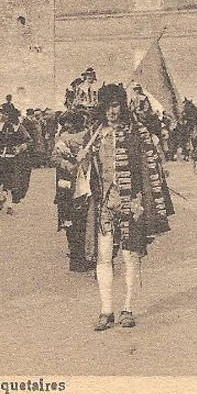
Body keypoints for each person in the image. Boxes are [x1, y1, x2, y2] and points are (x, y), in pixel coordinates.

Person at [77, 84, 172, 332]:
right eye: (107, 107)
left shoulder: (136, 132)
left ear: (122, 105)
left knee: (131, 255)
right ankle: (106, 310)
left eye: (116, 105)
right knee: (104, 255)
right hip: (104, 204)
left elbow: (150, 167)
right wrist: (81, 161)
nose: (112, 112)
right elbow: (84, 170)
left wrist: (143, 200)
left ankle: (128, 308)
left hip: (132, 202)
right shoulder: (94, 134)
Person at [52, 111, 91, 272]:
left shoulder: (87, 136)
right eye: (64, 123)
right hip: (65, 182)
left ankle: (82, 255)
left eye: (69, 122)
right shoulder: (60, 138)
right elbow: (54, 157)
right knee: (68, 217)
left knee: (81, 218)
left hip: (82, 181)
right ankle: (75, 255)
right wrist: (66, 164)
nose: (67, 126)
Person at [0, 108, 33, 215]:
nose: (4, 116)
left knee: (12, 182)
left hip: (13, 158)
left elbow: (29, 140)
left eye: (6, 114)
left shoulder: (19, 127)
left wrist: (20, 147)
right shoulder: (0, 126)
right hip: (0, 156)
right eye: (4, 114)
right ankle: (3, 196)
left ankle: (10, 205)